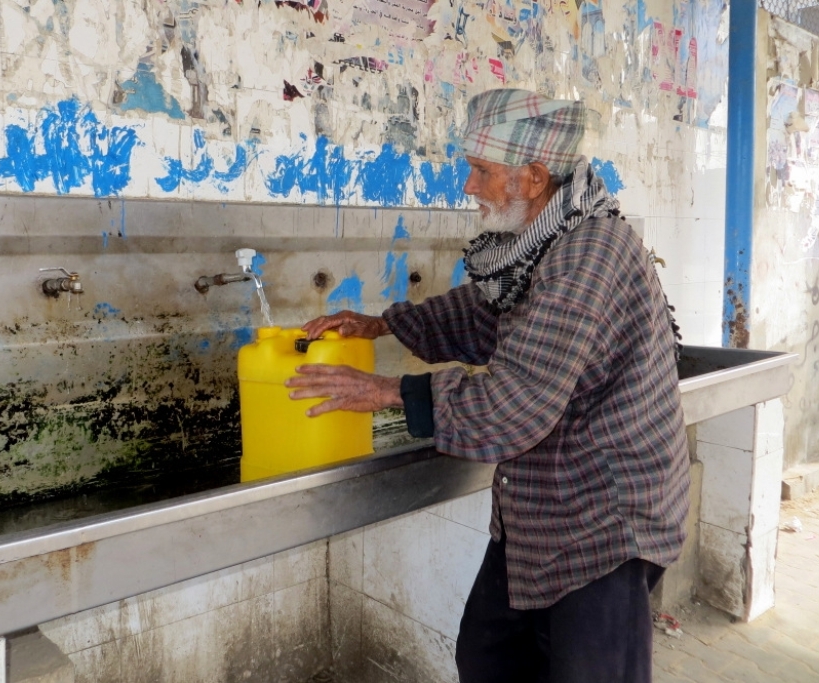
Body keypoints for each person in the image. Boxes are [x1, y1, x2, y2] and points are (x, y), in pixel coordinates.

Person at [286, 87, 690, 683]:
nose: (468, 186)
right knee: (488, 657)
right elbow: (486, 314)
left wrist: (387, 392)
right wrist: (382, 324)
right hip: (540, 503)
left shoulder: (589, 254)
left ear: (530, 178)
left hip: (606, 515)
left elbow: (516, 400)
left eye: (480, 171)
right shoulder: (543, 239)